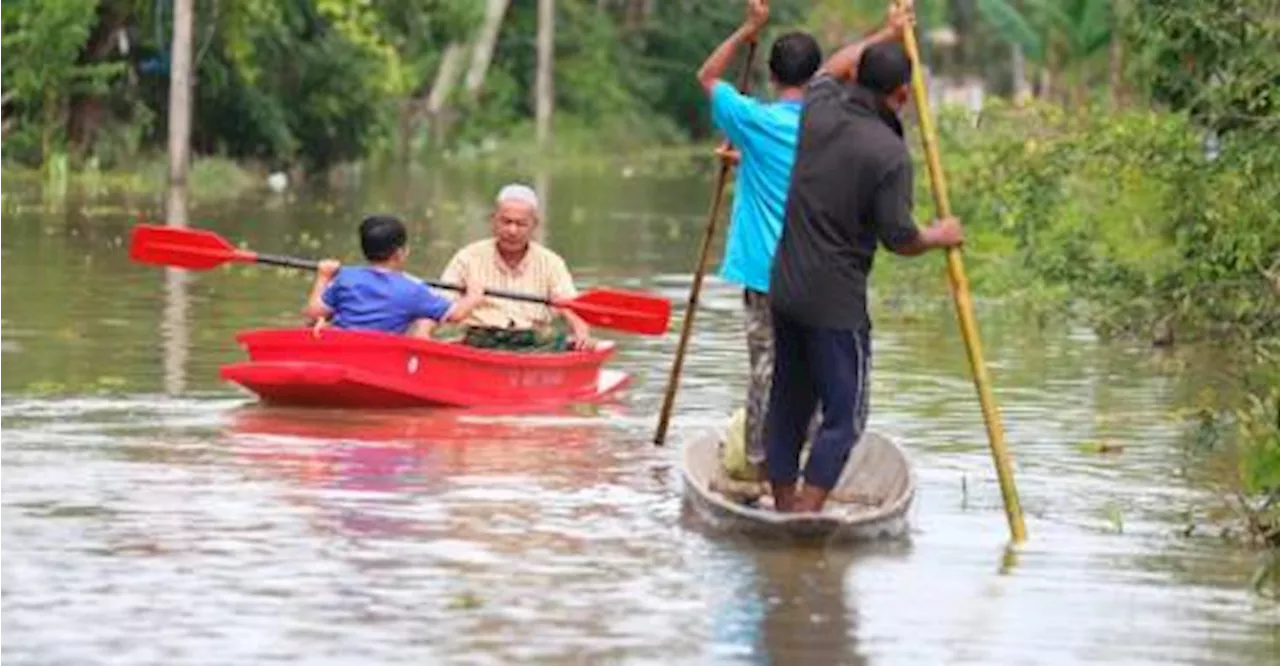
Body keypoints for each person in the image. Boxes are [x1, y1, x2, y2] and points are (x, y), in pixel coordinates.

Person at [763, 5, 964, 513]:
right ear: (901, 96)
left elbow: (832, 63)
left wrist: (887, 33)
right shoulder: (888, 153)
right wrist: (940, 235)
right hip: (835, 305)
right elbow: (900, 238)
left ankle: (784, 503)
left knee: (789, 399)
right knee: (845, 417)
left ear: (858, 77)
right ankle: (807, 513)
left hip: (785, 288)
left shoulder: (819, 107)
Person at [697, 0, 828, 484]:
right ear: (814, 79)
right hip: (816, 273)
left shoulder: (754, 121)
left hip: (765, 273)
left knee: (766, 369)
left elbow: (708, 77)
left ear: (772, 76)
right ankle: (812, 466)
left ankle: (759, 461)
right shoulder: (829, 128)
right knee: (813, 368)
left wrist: (747, 28)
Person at [439, 184, 594, 352]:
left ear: (534, 225)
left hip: (534, 342)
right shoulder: (467, 257)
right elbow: (438, 304)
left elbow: (570, 306)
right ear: (493, 221)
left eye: (521, 224)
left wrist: (582, 332)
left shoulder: (552, 263)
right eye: (506, 222)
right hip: (482, 342)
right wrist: (422, 335)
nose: (512, 231)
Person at [303, 214, 484, 337]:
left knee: (318, 325)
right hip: (379, 356)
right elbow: (456, 314)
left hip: (344, 346)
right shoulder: (413, 289)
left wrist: (323, 276)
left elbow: (314, 313)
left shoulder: (345, 278)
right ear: (401, 253)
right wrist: (474, 296)